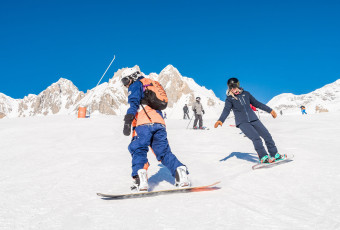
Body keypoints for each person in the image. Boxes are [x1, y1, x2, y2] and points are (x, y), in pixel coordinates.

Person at [121, 68, 190, 192]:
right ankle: (180, 172)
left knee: (138, 148)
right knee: (164, 151)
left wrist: (128, 120)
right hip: (159, 123)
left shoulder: (136, 85)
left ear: (133, 76)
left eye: (126, 80)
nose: (126, 85)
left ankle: (139, 179)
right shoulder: (151, 83)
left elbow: (134, 103)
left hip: (143, 123)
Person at [214, 78, 285, 164]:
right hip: (242, 122)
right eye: (231, 87)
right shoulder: (229, 99)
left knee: (267, 135)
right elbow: (226, 110)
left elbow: (257, 103)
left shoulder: (246, 94)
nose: (233, 88)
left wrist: (270, 110)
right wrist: (220, 120)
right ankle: (263, 157)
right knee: (256, 138)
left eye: (234, 86)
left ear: (238, 85)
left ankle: (274, 154)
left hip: (254, 119)